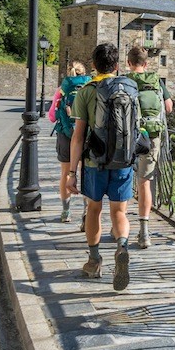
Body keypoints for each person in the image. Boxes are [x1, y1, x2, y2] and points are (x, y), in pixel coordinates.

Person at [65, 43, 135, 290]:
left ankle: (94, 262)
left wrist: (72, 173)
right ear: (116, 66)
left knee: (94, 209)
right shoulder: (129, 89)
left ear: (93, 65)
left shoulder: (86, 91)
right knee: (120, 212)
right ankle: (122, 247)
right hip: (123, 160)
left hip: (94, 162)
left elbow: (77, 136)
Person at [125, 46, 173, 249]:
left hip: (127, 138)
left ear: (128, 63)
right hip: (151, 137)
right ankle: (144, 233)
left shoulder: (125, 81)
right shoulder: (157, 81)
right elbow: (169, 107)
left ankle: (120, 225)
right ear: (146, 64)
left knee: (125, 179)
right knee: (145, 183)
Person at [47, 60, 89, 225]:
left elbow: (51, 116)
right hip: (85, 135)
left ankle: (66, 211)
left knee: (65, 173)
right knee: (85, 173)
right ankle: (86, 211)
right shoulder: (88, 88)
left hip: (65, 135)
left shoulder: (61, 90)